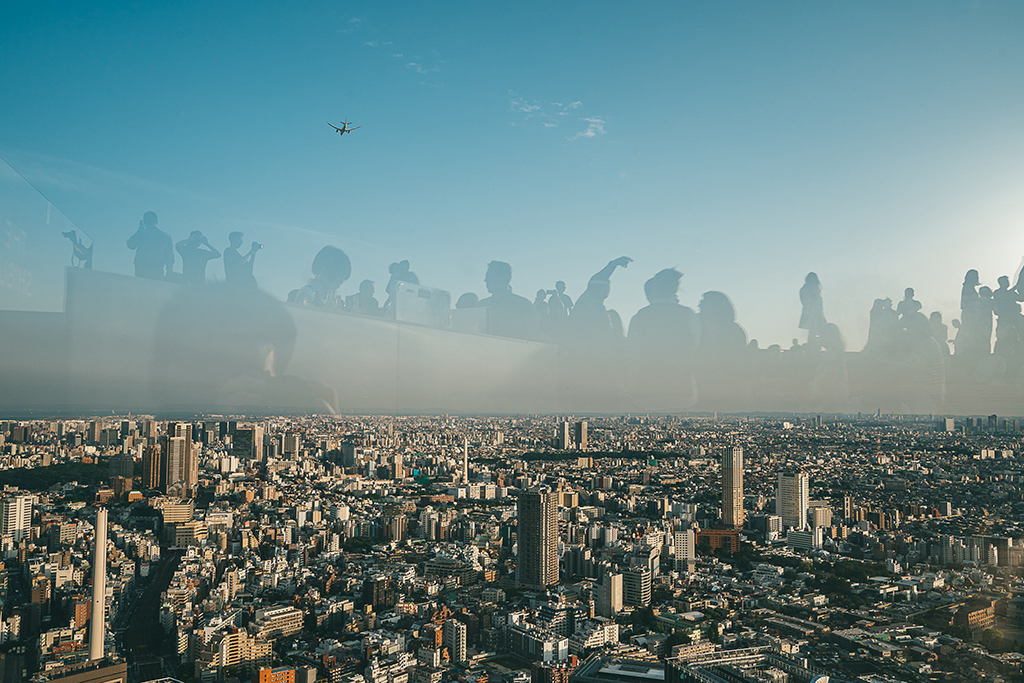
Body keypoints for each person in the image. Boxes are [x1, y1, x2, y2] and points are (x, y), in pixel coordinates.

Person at [626, 268, 700, 410]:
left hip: (647, 391)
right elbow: (695, 347)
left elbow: (631, 355)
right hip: (683, 390)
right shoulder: (689, 315)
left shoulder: (639, 316)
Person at [476, 261, 540, 341]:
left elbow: (532, 337)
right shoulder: (482, 305)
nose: (485, 280)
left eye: (490, 276)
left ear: (505, 278)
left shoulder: (523, 306)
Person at [127, 211, 173, 279]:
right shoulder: (166, 236)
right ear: (157, 221)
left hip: (141, 268)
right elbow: (170, 256)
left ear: (144, 222)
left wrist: (139, 230)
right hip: (157, 268)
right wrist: (169, 271)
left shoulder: (141, 234)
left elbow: (130, 245)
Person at [799, 272, 826, 345]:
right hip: (811, 315)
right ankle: (813, 346)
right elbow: (807, 303)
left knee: (817, 331)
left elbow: (819, 306)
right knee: (814, 331)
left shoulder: (815, 291)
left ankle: (815, 345)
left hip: (817, 314)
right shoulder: (806, 290)